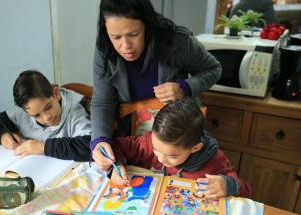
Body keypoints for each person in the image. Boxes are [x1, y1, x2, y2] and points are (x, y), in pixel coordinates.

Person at [90, 0, 222, 171]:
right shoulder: (104, 50)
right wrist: (100, 140)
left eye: (134, 34)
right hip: (133, 139)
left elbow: (214, 69)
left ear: (147, 24)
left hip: (178, 139)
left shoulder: (177, 41)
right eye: (116, 37)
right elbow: (102, 101)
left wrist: (185, 87)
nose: (125, 46)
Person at [108, 99, 251, 199]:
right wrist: (118, 164)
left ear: (195, 148)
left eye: (172, 156)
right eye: (156, 150)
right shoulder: (153, 140)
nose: (160, 159)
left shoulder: (215, 161)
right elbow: (118, 144)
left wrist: (229, 185)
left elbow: (245, 191)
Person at [0, 70, 91, 161]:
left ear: (56, 94)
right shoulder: (28, 109)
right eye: (36, 115)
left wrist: (44, 147)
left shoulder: (76, 112)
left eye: (48, 107)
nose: (46, 118)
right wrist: (3, 136)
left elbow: (90, 146)